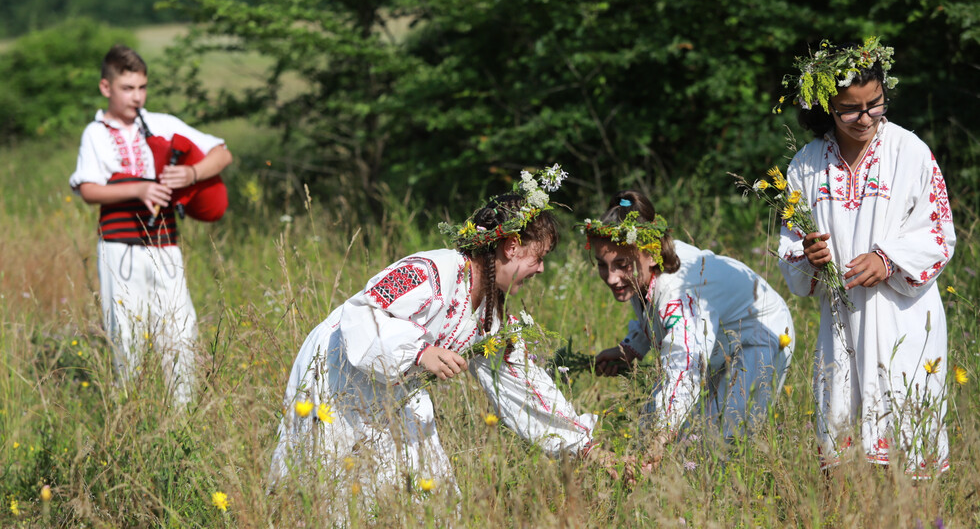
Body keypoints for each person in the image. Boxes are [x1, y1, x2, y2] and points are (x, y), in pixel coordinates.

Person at [268, 165, 594, 500]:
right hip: (339, 372)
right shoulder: (429, 271)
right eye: (538, 258)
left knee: (426, 494)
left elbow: (525, 386)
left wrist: (584, 446)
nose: (540, 269)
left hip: (395, 390)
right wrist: (421, 353)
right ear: (511, 247)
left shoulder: (490, 317)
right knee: (328, 483)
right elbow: (363, 311)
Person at [776, 37, 955, 478]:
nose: (865, 118)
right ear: (825, 109)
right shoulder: (806, 163)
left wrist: (888, 260)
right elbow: (789, 244)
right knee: (841, 457)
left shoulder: (909, 151)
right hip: (839, 324)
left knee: (905, 451)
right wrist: (808, 256)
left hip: (902, 317)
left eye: (874, 104)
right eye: (849, 110)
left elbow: (939, 232)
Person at [69, 45, 233, 406]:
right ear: (106, 87)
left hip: (165, 244)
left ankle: (182, 417)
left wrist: (191, 172)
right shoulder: (95, 134)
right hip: (119, 246)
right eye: (127, 88)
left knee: (180, 331)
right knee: (127, 334)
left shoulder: (162, 123)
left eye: (142, 87)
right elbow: (88, 189)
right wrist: (140, 187)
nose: (137, 97)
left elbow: (221, 152)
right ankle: (128, 413)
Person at [587, 191, 795, 448]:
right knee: (662, 433)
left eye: (621, 264)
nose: (611, 278)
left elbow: (685, 368)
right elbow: (655, 314)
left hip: (761, 332)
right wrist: (630, 349)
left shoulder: (679, 291)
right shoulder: (641, 273)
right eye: (602, 265)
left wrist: (660, 438)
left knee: (726, 438)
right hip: (717, 338)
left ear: (652, 255)